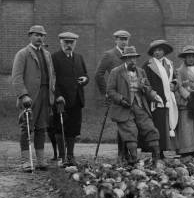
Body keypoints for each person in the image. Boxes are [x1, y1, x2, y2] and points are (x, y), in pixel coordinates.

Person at [106, 46, 163, 166]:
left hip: (139, 105)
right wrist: (121, 100)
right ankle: (133, 160)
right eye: (130, 58)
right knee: (130, 131)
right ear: (124, 59)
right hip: (123, 108)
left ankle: (156, 159)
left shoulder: (140, 71)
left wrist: (152, 94)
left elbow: (148, 87)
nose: (133, 61)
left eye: (134, 58)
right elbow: (110, 91)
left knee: (150, 128)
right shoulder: (116, 72)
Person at [11, 25, 56, 171]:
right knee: (27, 127)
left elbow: (52, 75)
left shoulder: (47, 54)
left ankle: (41, 160)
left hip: (45, 95)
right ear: (30, 35)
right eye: (36, 35)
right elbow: (16, 77)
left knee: (42, 128)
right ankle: (26, 161)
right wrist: (23, 95)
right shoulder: (22, 54)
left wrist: (52, 93)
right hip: (30, 97)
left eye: (42, 35)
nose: (39, 38)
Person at [51, 32, 89, 167]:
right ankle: (62, 157)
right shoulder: (54, 58)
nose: (68, 45)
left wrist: (85, 79)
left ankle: (71, 156)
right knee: (60, 127)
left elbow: (85, 75)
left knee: (73, 128)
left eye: (71, 42)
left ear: (75, 43)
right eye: (66, 42)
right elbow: (52, 79)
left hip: (76, 99)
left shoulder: (79, 57)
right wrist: (57, 95)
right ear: (61, 42)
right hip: (61, 100)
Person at [94, 30, 131, 163]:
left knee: (129, 123)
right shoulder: (109, 55)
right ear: (115, 40)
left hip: (130, 95)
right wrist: (106, 92)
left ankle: (128, 153)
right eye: (121, 39)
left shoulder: (130, 54)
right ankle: (121, 154)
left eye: (125, 39)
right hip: (116, 94)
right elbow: (99, 74)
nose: (123, 42)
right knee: (122, 122)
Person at [143, 40, 178, 159]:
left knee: (166, 124)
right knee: (156, 125)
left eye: (160, 50)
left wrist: (174, 84)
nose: (157, 52)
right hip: (156, 99)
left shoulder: (170, 64)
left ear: (164, 51)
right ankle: (156, 151)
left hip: (168, 98)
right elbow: (144, 83)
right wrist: (152, 94)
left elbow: (175, 78)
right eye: (155, 50)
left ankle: (165, 148)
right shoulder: (148, 65)